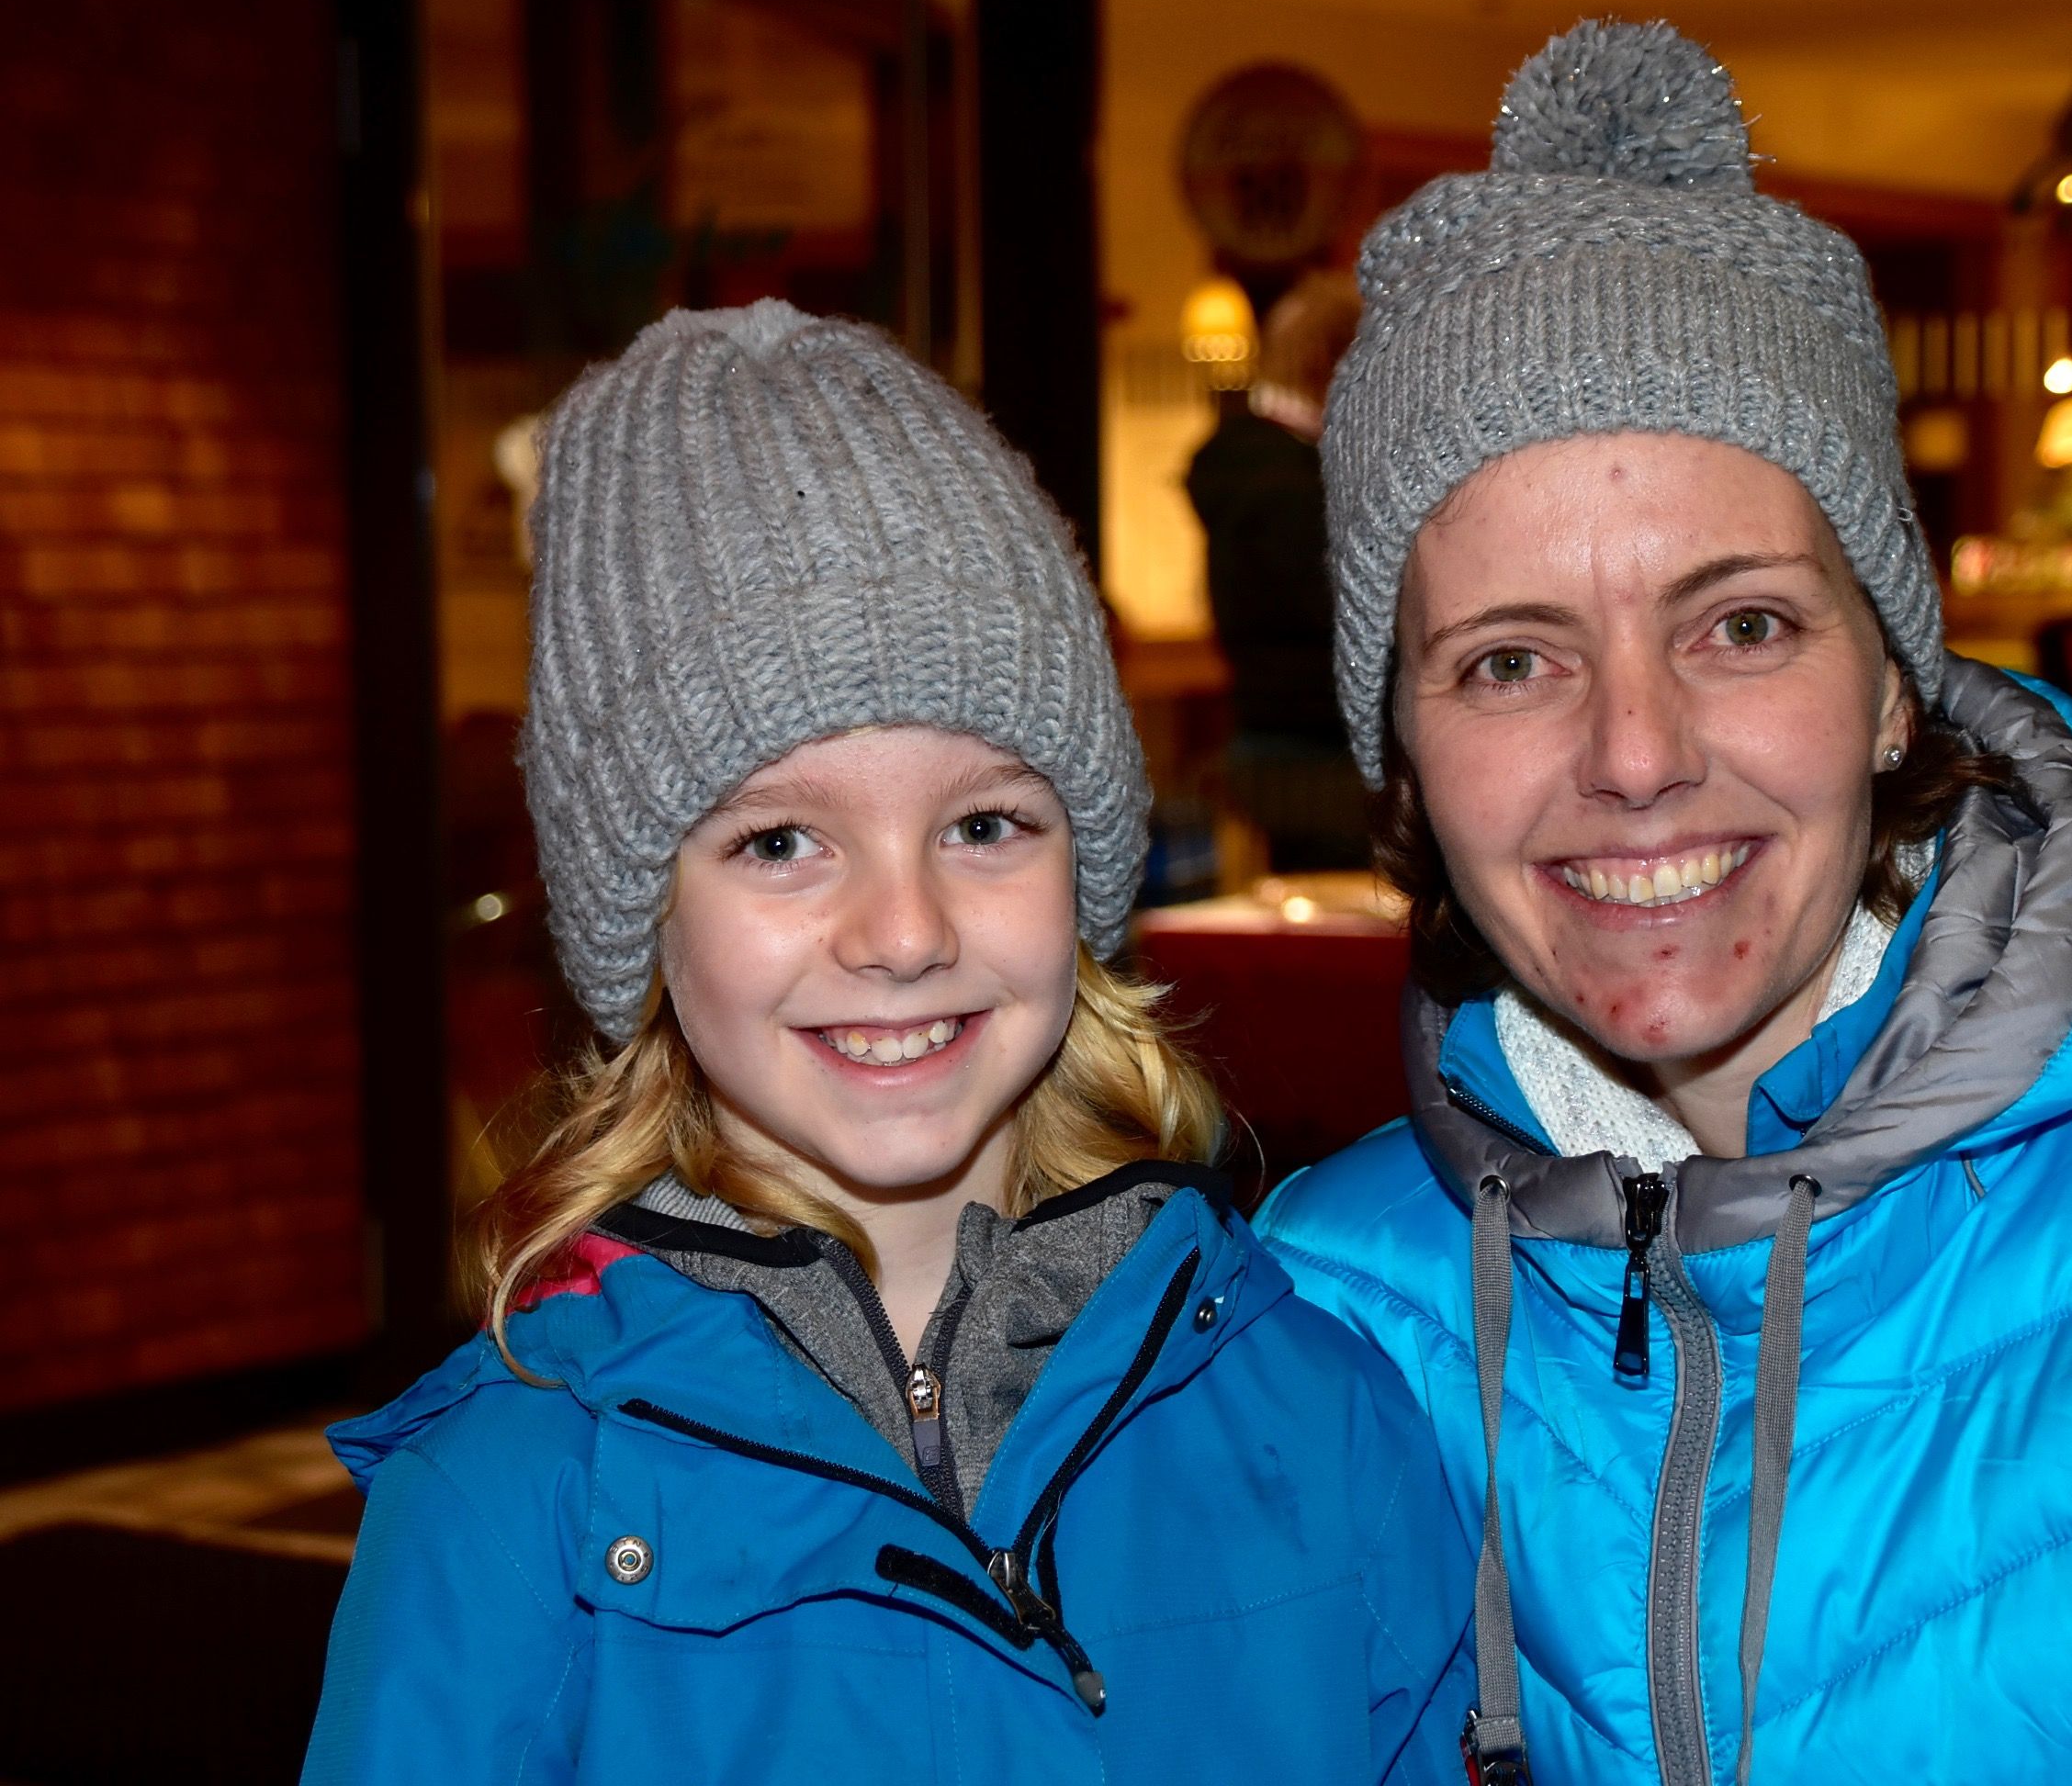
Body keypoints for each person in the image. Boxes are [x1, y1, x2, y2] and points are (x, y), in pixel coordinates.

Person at [1256, 20, 2072, 1786]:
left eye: (1739, 624)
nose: (1635, 754)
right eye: (1509, 660)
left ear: (1894, 685)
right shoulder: (1316, 1308)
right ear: (1406, 763)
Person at [302, 303, 1472, 1785]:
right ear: (642, 917)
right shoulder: (505, 1503)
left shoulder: (1318, 1415)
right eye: (780, 842)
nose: (904, 931)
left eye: (983, 824)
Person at [1187, 272, 1368, 870]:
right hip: (1324, 762)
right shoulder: (1296, 489)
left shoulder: (1246, 468)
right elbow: (1349, 622)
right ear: (1331, 363)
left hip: (1267, 741)